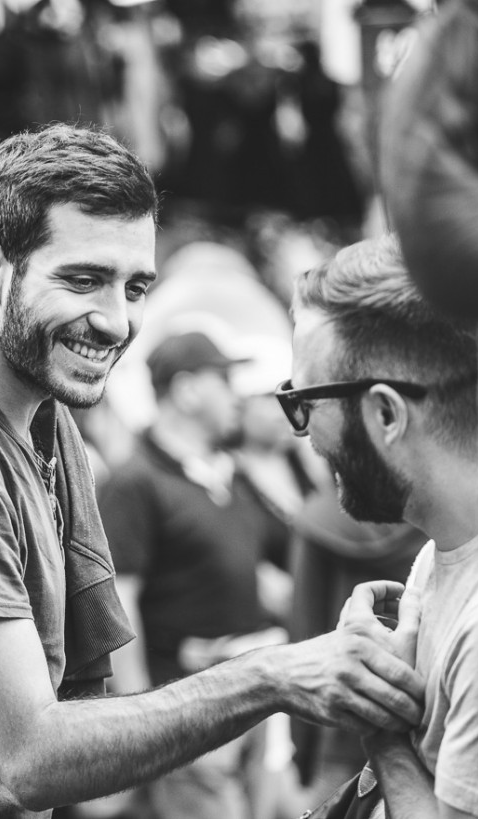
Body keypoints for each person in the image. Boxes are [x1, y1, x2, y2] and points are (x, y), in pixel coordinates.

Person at [0, 124, 424, 816]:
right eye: (84, 280)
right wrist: (274, 675)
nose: (116, 322)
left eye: (137, 286)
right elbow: (33, 755)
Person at [283, 233, 478, 818]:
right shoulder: (450, 547)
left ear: (386, 413)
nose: (305, 434)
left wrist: (378, 718)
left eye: (305, 401)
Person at [96, 329, 290, 819]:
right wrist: (141, 720)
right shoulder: (135, 483)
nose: (237, 396)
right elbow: (120, 604)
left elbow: (268, 567)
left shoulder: (229, 475)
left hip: (254, 705)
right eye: (224, 379)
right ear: (186, 391)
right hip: (189, 718)